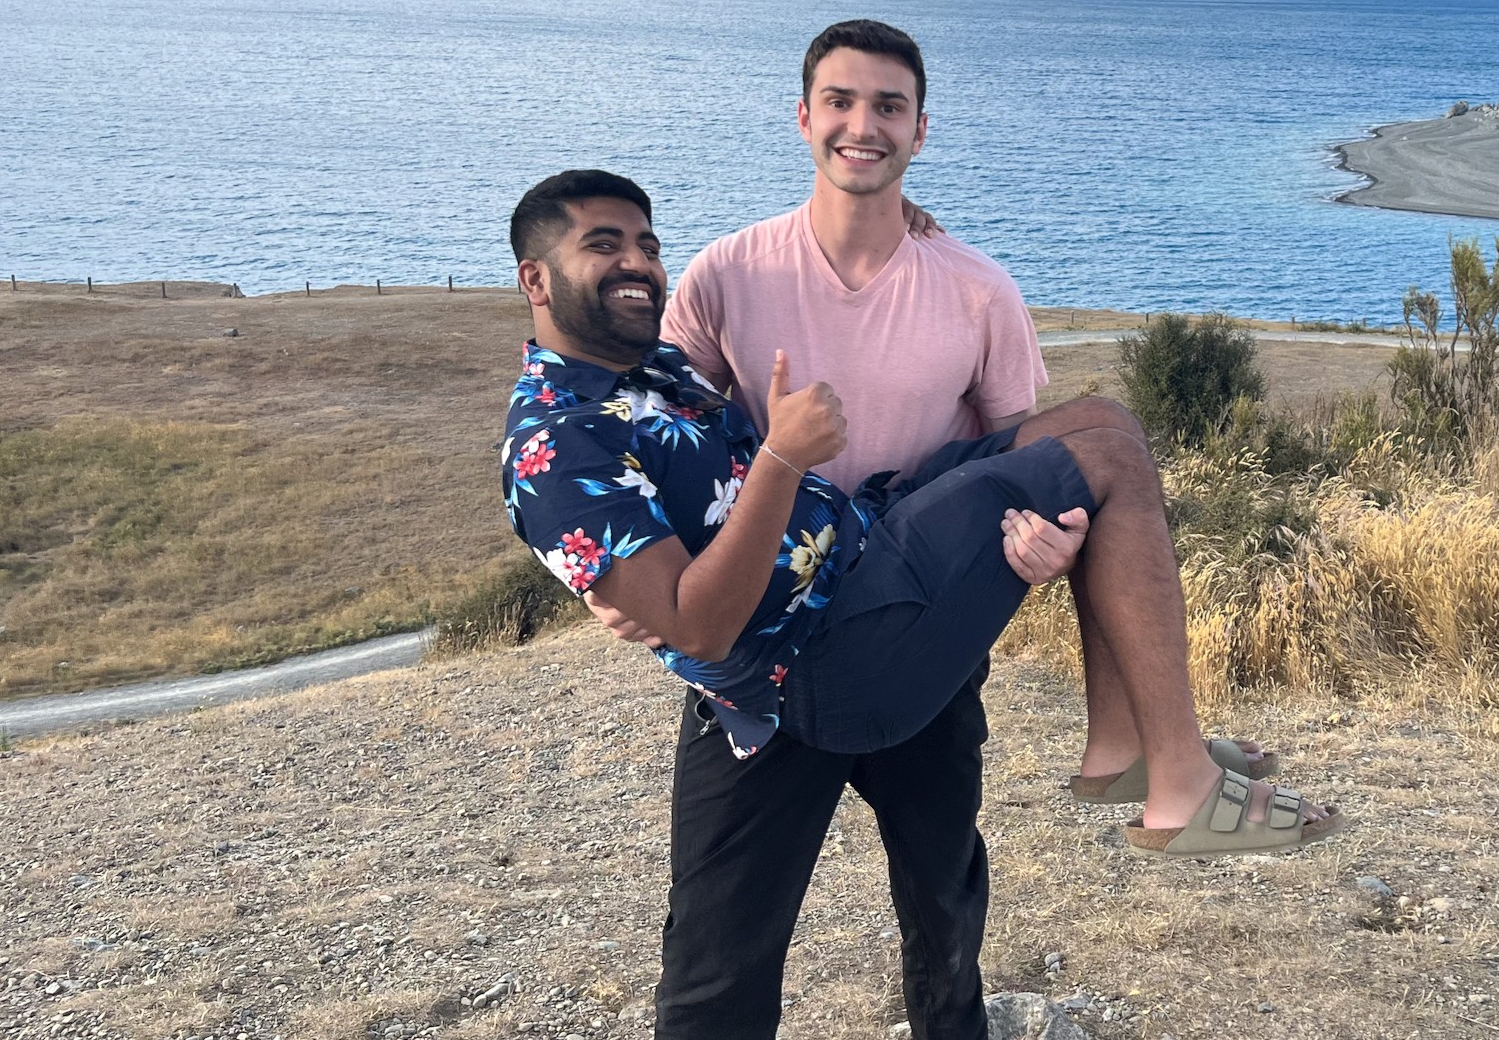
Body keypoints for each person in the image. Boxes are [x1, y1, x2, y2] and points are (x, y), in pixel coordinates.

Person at [500, 170, 1347, 1031]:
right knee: (716, 968)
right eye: (602, 245)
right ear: (535, 279)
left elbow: (773, 285)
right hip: (808, 667)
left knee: (1101, 426)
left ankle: (1123, 743)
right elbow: (700, 624)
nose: (637, 261)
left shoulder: (654, 369)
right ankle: (1179, 788)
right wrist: (782, 460)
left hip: (875, 563)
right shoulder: (553, 444)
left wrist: (887, 216)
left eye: (645, 242)